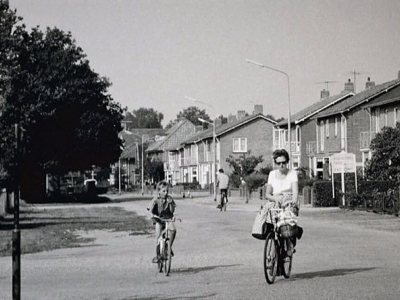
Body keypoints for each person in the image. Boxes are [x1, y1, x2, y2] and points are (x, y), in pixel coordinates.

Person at [265, 149, 299, 257]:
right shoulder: (272, 174)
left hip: (289, 200)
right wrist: (275, 199)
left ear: (287, 162)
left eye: (284, 162)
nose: (281, 165)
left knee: (285, 220)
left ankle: (289, 244)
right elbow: (267, 194)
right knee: (266, 217)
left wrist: (293, 203)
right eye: (278, 163)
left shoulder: (292, 173)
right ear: (275, 163)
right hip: (275, 200)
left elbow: (295, 192)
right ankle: (272, 240)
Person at [147, 180, 177, 263]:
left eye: (167, 191)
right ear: (159, 191)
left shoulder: (169, 199)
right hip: (159, 219)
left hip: (168, 219)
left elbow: (172, 211)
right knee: (158, 236)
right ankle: (158, 255)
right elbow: (150, 208)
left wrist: (170, 204)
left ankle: (169, 247)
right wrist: (152, 215)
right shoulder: (156, 199)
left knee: (173, 230)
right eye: (164, 191)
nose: (166, 193)